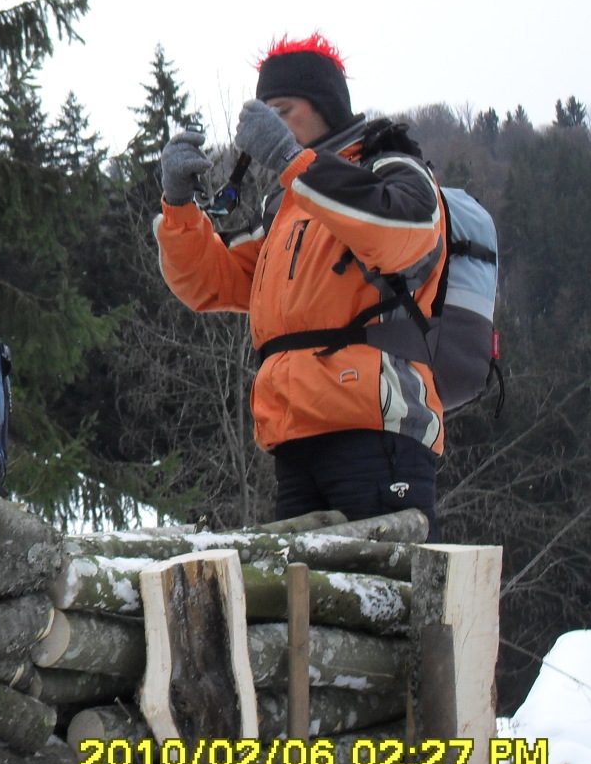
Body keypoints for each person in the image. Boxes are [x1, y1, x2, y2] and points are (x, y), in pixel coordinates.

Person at [155, 34, 448, 536]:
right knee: (304, 609)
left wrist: (294, 162)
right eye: (262, 115)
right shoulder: (285, 210)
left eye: (283, 110)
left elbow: (405, 234)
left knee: (382, 602)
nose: (267, 127)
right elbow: (209, 282)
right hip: (293, 436)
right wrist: (178, 204)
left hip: (374, 431)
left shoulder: (390, 168)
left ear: (326, 109)